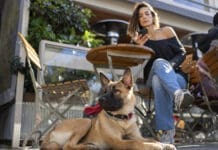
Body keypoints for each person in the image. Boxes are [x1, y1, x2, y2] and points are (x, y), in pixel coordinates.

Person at [127, 2, 194, 144]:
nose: (144, 17)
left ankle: (167, 133)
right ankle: (178, 95)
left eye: (147, 13)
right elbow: (133, 62)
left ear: (153, 15)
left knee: (159, 79)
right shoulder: (139, 39)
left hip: (176, 77)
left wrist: (169, 66)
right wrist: (137, 47)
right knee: (158, 65)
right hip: (150, 79)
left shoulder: (167, 31)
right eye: (140, 16)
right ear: (138, 21)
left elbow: (181, 52)